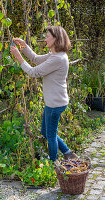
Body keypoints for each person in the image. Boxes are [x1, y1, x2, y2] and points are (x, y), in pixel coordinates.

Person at [10, 26, 78, 162]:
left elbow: (33, 72)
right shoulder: (55, 55)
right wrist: (24, 47)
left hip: (55, 103)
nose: (45, 39)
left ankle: (54, 165)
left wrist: (18, 57)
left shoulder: (57, 59)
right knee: (45, 132)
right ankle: (68, 153)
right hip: (54, 101)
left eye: (48, 36)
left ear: (56, 39)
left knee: (51, 135)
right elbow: (35, 58)